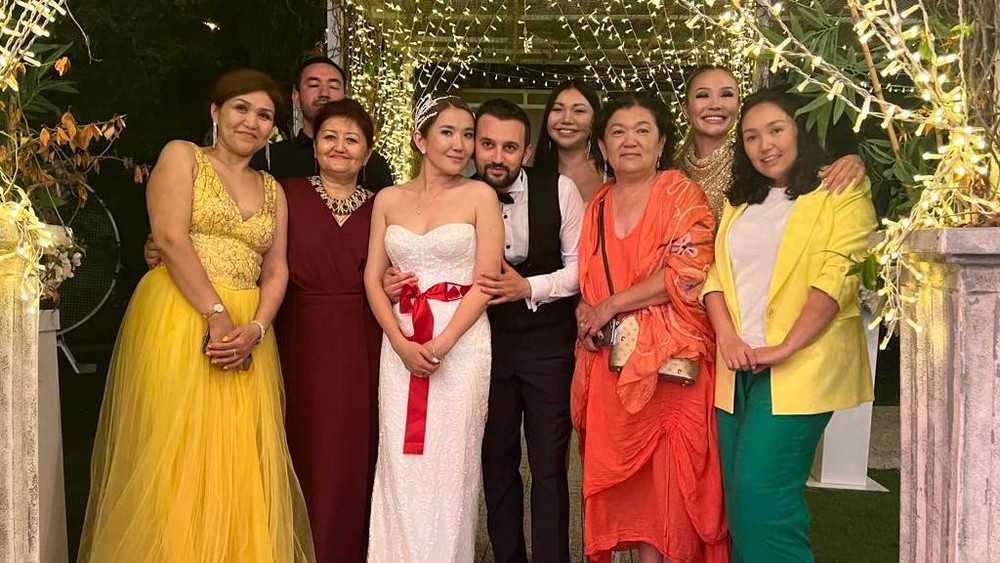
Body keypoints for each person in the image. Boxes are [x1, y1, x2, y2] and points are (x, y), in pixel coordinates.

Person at [79, 69, 314, 562]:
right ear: (215, 111)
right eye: (241, 108)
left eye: (264, 115)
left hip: (247, 327)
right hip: (181, 313)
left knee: (238, 457)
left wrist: (256, 327)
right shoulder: (183, 156)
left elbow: (277, 268)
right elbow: (168, 237)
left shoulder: (273, 189)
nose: (251, 122)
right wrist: (216, 315)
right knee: (176, 449)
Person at [702, 88, 876, 562]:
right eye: (751, 136)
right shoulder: (739, 202)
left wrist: (783, 348)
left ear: (800, 130)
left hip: (799, 365)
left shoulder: (840, 190)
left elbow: (838, 277)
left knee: (763, 499)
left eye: (776, 130)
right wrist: (727, 336)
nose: (765, 145)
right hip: (736, 368)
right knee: (739, 503)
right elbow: (715, 276)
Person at [573, 93, 728, 563]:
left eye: (643, 130)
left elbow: (688, 272)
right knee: (630, 493)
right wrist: (586, 309)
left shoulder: (681, 194)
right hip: (612, 366)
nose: (630, 140)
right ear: (603, 146)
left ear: (661, 143)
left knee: (671, 488)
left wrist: (608, 307)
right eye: (617, 132)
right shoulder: (598, 203)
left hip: (671, 371)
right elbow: (588, 278)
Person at [363, 94, 504, 562]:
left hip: (460, 340)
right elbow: (372, 279)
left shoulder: (480, 196)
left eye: (468, 135)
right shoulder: (388, 199)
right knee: (400, 459)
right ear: (420, 139)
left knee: (450, 460)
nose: (460, 144)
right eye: (448, 132)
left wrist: (442, 342)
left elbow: (487, 281)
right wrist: (399, 342)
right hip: (400, 338)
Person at [475, 99, 584, 563]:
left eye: (509, 147)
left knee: (548, 467)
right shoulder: (459, 194)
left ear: (527, 151)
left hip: (548, 346)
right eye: (487, 145)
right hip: (483, 346)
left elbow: (579, 270)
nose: (497, 157)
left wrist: (528, 287)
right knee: (496, 463)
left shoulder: (560, 189)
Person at [275, 99, 382, 563]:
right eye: (330, 137)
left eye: (352, 140)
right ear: (315, 144)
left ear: (367, 152)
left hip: (363, 337)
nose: (340, 147)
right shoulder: (285, 194)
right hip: (301, 336)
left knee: (355, 447)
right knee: (304, 441)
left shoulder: (383, 205)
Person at [676, 65, 866, 220]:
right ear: (685, 108)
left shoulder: (756, 162)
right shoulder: (669, 166)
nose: (715, 105)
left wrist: (852, 158)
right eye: (703, 95)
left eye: (726, 94)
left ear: (738, 105)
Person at [251, 56, 394, 190]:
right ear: (296, 97)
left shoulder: (371, 163)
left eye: (333, 86)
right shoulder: (270, 158)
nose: (324, 93)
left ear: (345, 96)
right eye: (314, 85)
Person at [533, 80, 604, 202]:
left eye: (579, 111)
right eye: (557, 109)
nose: (566, 119)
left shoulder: (612, 174)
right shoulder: (532, 180)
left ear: (595, 119)